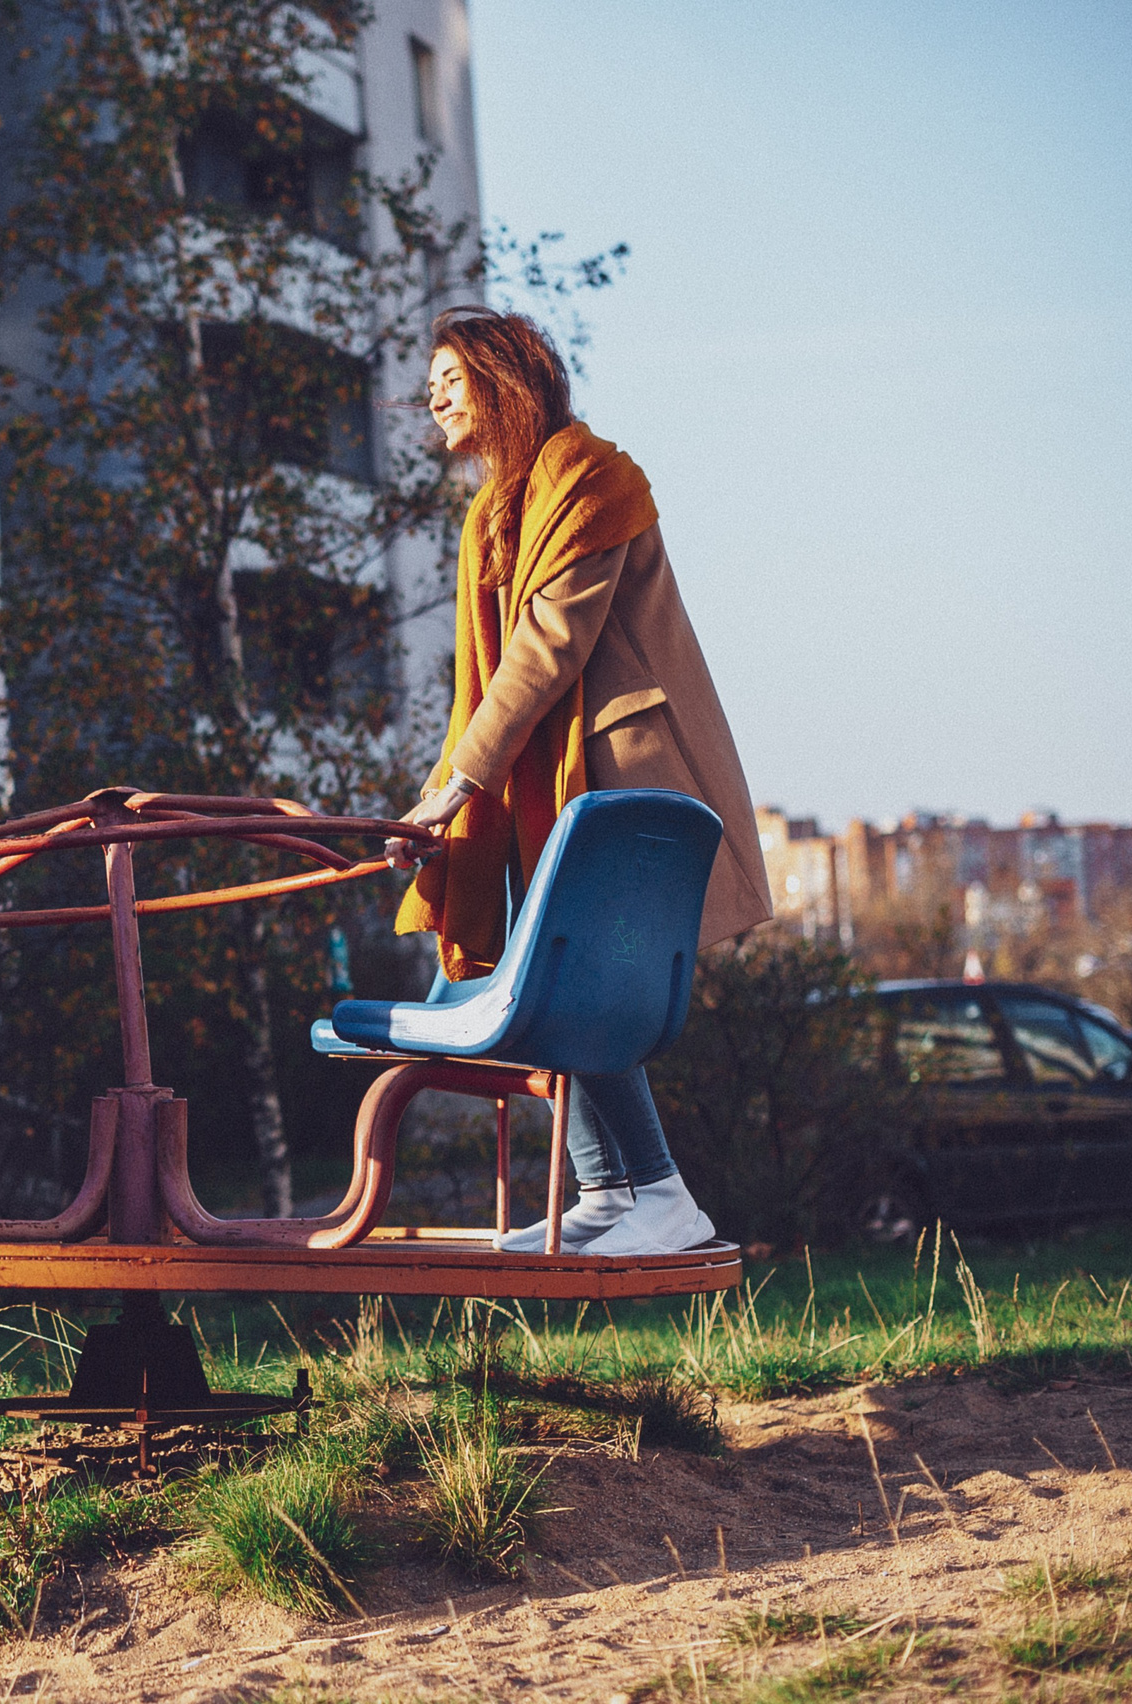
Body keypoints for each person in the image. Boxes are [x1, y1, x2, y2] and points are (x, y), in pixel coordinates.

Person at [390, 307, 772, 1258]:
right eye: (429, 381)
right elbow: (485, 682)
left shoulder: (590, 476)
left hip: (621, 780)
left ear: (505, 378)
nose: (432, 395)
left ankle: (662, 1194)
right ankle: (610, 1191)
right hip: (544, 789)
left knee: (580, 976)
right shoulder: (496, 507)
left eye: (451, 375)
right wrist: (450, 791)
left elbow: (548, 647)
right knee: (556, 976)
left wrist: (459, 784)